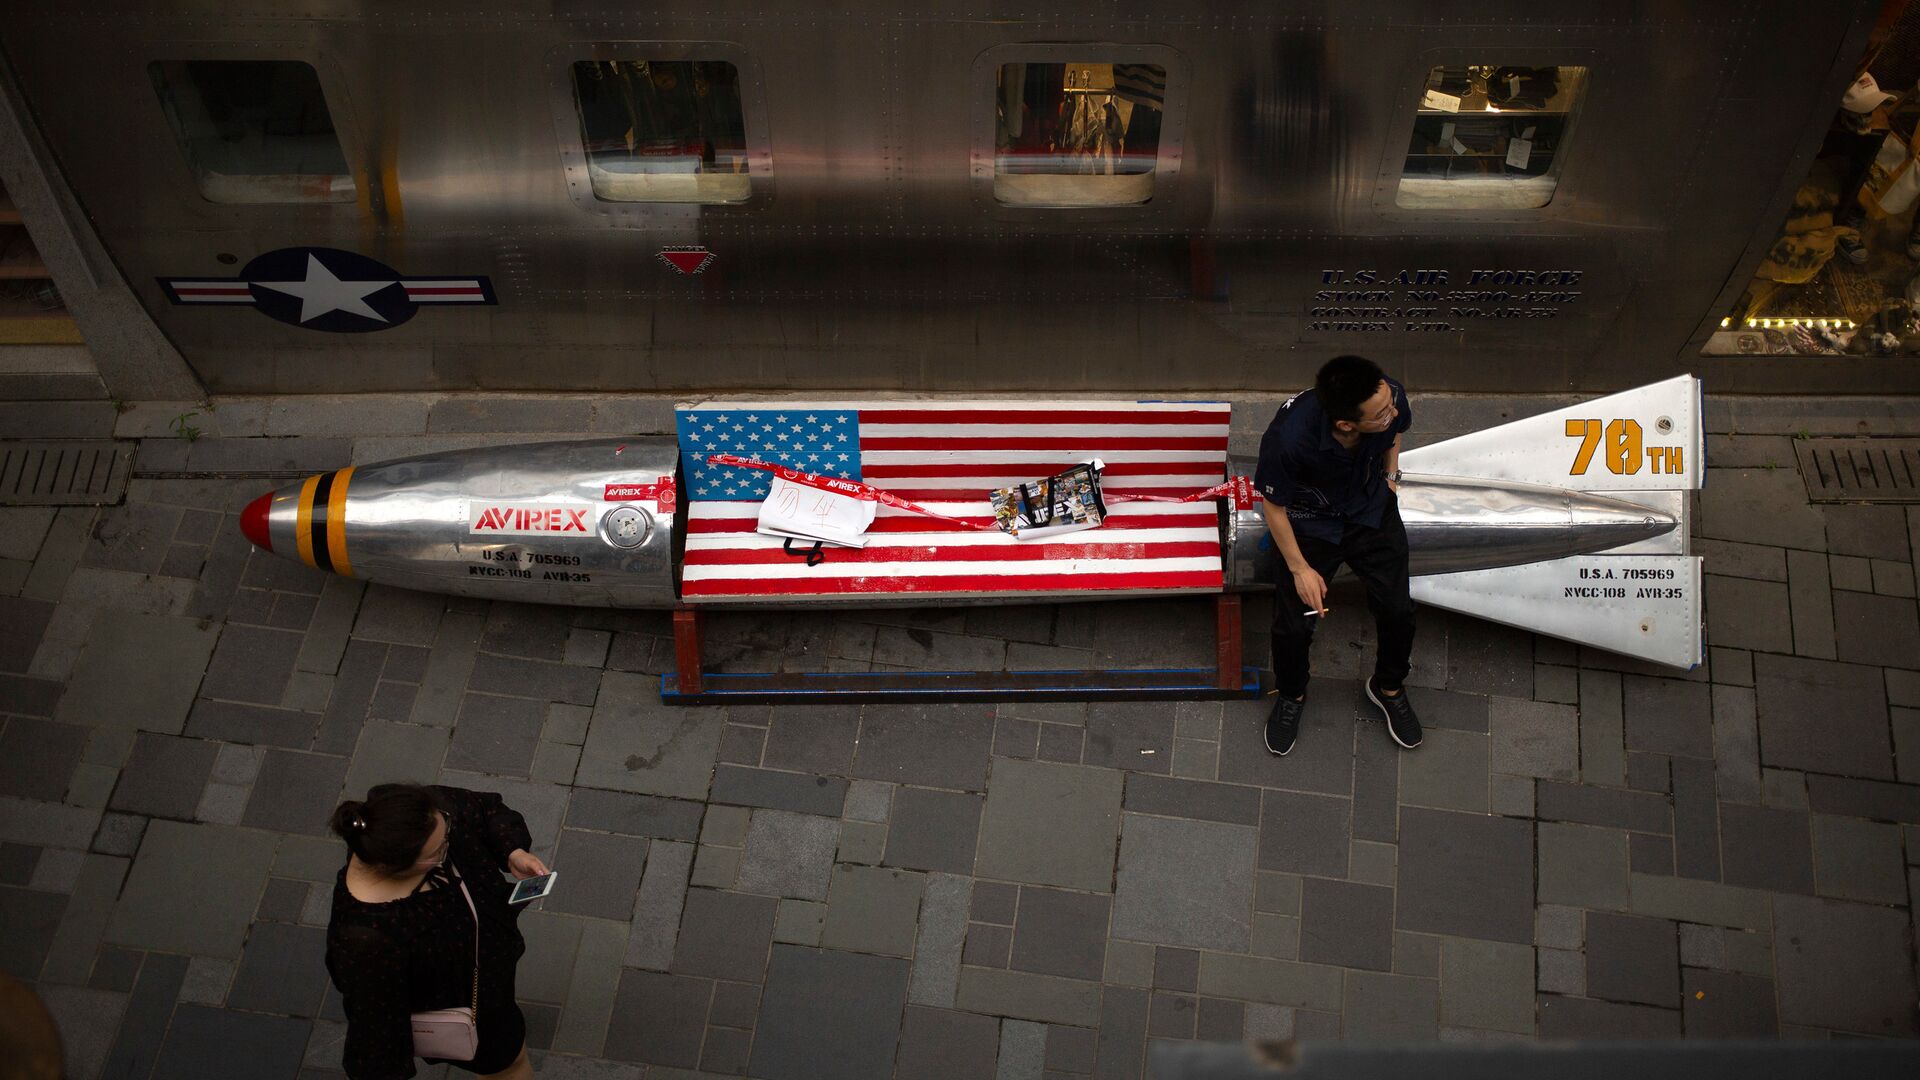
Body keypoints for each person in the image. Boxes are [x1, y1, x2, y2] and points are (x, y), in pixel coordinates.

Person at [1254, 355, 1422, 756]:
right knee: (1293, 627)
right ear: (1346, 424)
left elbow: (1395, 431)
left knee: (1399, 610)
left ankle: (1388, 686)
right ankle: (1292, 695)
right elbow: (1273, 507)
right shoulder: (1288, 439)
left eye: (1390, 401)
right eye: (1381, 413)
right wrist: (1300, 570)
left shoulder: (1388, 395)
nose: (1393, 411)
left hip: (1370, 511)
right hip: (1310, 525)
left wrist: (1391, 478)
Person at [325, 784, 550, 1080]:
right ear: (400, 864)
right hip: (471, 1007)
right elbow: (376, 1036)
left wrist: (512, 851)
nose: (449, 840)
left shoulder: (421, 814)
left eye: (447, 828)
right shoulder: (367, 941)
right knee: (509, 1065)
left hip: (491, 975)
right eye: (439, 849)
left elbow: (482, 809)